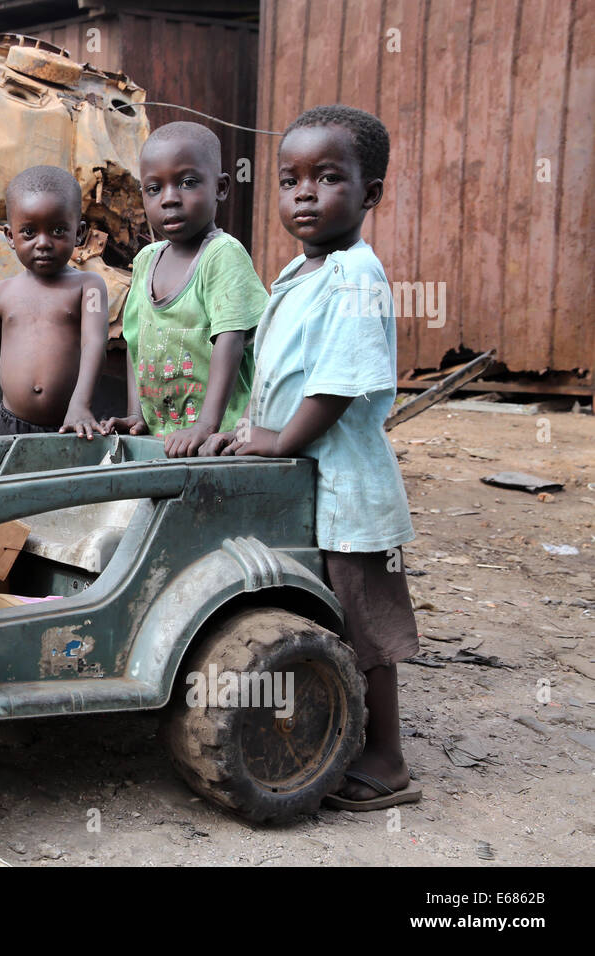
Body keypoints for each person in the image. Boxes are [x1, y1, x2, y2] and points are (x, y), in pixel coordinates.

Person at [201, 105, 421, 811]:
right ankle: (338, 727)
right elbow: (275, 374)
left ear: (370, 193)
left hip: (348, 487)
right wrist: (246, 428)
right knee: (320, 612)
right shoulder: (300, 271)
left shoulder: (357, 274)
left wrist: (279, 439)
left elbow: (336, 384)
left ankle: (387, 759)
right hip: (303, 483)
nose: (304, 193)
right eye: (290, 178)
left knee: (366, 625)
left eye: (327, 178)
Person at [101, 122, 265, 457]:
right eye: (153, 189)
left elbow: (230, 342)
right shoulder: (146, 259)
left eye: (188, 183)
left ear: (220, 187)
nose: (170, 199)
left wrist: (207, 425)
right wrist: (137, 415)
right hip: (166, 440)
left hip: (221, 441)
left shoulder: (222, 255)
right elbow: (136, 339)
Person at [0, 165, 108, 439]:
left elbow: (95, 345)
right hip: (8, 428)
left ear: (80, 233)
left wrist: (80, 405)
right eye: (29, 232)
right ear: (10, 236)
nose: (44, 243)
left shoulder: (89, 287)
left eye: (58, 230)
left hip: (71, 424)